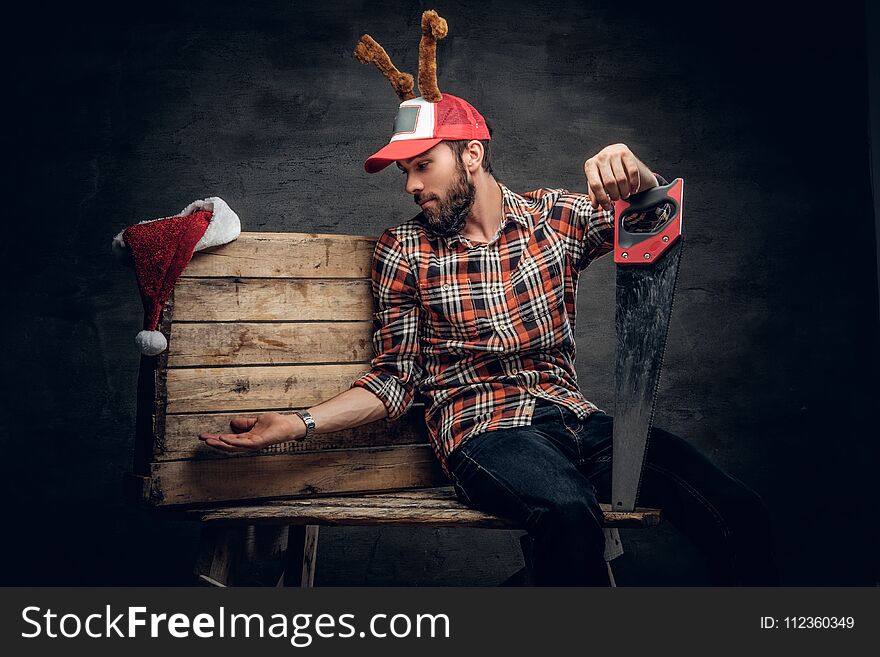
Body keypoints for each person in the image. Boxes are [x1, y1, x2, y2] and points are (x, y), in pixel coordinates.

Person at [199, 92, 780, 587]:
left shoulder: (554, 218)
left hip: (575, 419)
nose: (410, 185)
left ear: (471, 154)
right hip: (486, 431)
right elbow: (397, 380)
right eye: (405, 172)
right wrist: (298, 423)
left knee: (736, 507)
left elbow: (658, 229)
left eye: (422, 165)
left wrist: (640, 175)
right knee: (569, 512)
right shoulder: (404, 249)